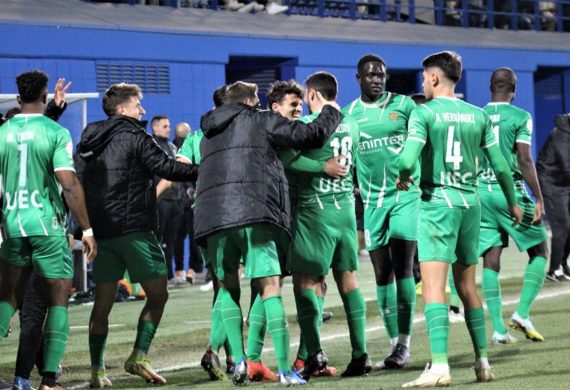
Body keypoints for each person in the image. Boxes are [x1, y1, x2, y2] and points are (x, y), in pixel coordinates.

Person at [194, 80, 343, 386]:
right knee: (270, 287)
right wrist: (329, 111)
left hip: (212, 218)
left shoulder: (207, 134)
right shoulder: (261, 119)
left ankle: (240, 362)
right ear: (251, 101)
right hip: (253, 212)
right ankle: (287, 370)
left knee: (226, 290)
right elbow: (310, 134)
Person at [397, 51, 522, 387]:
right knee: (468, 286)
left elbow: (407, 160)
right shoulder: (478, 115)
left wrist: (403, 172)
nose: (423, 82)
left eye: (425, 77)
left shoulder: (423, 113)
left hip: (439, 203)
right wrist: (513, 203)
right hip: (472, 204)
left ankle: (439, 366)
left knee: (435, 287)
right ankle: (482, 362)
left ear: (435, 78)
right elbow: (500, 166)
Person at [75, 83, 198, 387]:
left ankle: (97, 370)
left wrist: (85, 227)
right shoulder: (135, 135)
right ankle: (138, 356)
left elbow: (77, 181)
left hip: (102, 232)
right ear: (122, 110)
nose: (142, 111)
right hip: (135, 230)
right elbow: (165, 168)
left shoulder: (88, 139)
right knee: (158, 295)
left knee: (102, 302)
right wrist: (199, 168)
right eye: (137, 105)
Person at [0, 70, 96, 390]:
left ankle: (27, 379)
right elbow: (68, 184)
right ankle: (49, 380)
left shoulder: (3, 132)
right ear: (43, 96)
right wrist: (87, 228)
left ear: (17, 98)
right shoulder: (56, 132)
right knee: (57, 300)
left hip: (12, 226)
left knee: (9, 299)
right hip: (47, 227)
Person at [245, 79, 345, 382]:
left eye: (301, 105)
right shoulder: (273, 129)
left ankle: (306, 356)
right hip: (276, 218)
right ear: (275, 108)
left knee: (314, 283)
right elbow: (292, 159)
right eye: (293, 106)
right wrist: (323, 167)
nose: (299, 111)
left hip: (298, 217)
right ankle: (254, 359)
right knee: (269, 286)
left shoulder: (285, 128)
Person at [287, 72, 370, 380]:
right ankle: (360, 354)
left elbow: (289, 161)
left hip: (315, 211)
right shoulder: (353, 124)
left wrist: (320, 166)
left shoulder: (308, 127)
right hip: (345, 211)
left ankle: (314, 354)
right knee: (348, 281)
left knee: (305, 284)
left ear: (312, 95)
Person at [342, 54, 418, 370]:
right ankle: (392, 344)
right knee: (381, 273)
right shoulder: (349, 115)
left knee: (403, 268)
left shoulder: (404, 106)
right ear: (358, 78)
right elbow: (346, 159)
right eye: (371, 75)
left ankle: (403, 344)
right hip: (372, 204)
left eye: (382, 75)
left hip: (405, 198)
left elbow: (422, 143)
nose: (377, 79)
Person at [478, 67, 549, 345]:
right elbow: (524, 160)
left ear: (490, 87)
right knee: (540, 250)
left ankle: (498, 329)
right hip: (509, 192)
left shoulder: (477, 114)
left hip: (481, 192)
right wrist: (538, 197)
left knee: (491, 257)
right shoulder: (520, 116)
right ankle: (521, 313)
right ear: (514, 90)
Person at [10, 77, 71, 390]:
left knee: (25, 308)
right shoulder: (39, 140)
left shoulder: (10, 136)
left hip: (14, 230)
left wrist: (54, 110)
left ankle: (32, 375)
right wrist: (86, 228)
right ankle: (40, 378)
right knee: (36, 308)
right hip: (40, 229)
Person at [150, 115, 186, 283]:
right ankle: (156, 274)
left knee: (172, 239)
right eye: (165, 126)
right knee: (158, 238)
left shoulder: (172, 147)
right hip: (161, 201)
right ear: (155, 128)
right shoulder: (150, 146)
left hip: (176, 200)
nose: (168, 129)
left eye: (169, 126)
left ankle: (169, 275)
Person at [537, 112, 570, 281]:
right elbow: (567, 166)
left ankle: (563, 264)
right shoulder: (561, 137)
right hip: (551, 184)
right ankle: (554, 270)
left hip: (565, 183)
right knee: (562, 227)